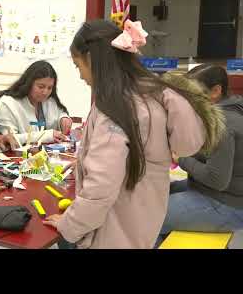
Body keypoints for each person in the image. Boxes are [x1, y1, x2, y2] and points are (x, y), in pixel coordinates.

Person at [42, 19, 224, 248]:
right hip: (141, 222)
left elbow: (100, 188)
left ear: (92, 59)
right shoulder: (153, 97)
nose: (80, 75)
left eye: (79, 66)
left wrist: (70, 224)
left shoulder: (116, 107)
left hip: (113, 232)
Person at [159, 64, 243, 240]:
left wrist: (180, 158)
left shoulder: (224, 124)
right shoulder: (229, 109)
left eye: (193, 95)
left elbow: (216, 179)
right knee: (155, 193)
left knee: (149, 215)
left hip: (226, 205)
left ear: (216, 91)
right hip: (211, 192)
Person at [0, 60, 72, 145]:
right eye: (41, 87)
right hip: (17, 156)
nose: (45, 92)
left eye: (49, 88)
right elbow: (8, 139)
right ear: (28, 83)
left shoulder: (49, 101)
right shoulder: (7, 104)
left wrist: (63, 119)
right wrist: (46, 136)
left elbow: (60, 113)